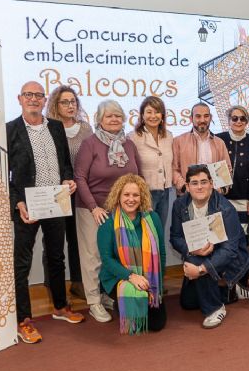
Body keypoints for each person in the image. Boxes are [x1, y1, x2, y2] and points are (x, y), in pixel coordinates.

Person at [7, 81, 84, 344]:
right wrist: (17, 203)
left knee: (56, 257)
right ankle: (23, 320)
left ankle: (61, 307)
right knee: (22, 263)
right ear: (19, 98)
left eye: (38, 95)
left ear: (43, 100)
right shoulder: (10, 131)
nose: (33, 99)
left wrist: (68, 180)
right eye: (28, 95)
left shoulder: (55, 127)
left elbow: (65, 164)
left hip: (55, 201)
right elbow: (6, 175)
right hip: (27, 206)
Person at [75, 99, 141, 323]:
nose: (114, 119)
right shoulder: (90, 144)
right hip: (92, 209)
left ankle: (105, 295)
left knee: (114, 255)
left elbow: (136, 176)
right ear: (99, 120)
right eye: (108, 116)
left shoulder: (129, 144)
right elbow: (80, 178)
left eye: (117, 115)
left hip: (120, 210)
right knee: (93, 256)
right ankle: (93, 301)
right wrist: (93, 207)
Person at [170, 166, 249, 329]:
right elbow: (175, 237)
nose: (199, 187)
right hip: (197, 255)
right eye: (194, 183)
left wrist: (200, 269)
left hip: (229, 261)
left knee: (196, 261)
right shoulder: (179, 204)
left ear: (212, 183)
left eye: (204, 182)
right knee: (188, 303)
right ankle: (225, 292)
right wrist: (190, 249)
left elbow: (230, 250)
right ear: (187, 185)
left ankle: (215, 308)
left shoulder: (225, 208)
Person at [97, 174, 166, 334]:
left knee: (156, 324)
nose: (131, 199)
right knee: (136, 307)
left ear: (141, 197)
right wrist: (131, 276)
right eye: (126, 194)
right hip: (119, 276)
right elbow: (107, 260)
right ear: (118, 196)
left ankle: (135, 299)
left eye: (135, 195)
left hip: (149, 276)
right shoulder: (108, 223)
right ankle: (118, 301)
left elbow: (161, 253)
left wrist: (157, 284)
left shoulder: (153, 218)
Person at [43, 85, 93, 299]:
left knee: (76, 239)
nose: (70, 105)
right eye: (65, 102)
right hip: (56, 191)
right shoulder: (48, 128)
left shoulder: (86, 129)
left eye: (73, 101)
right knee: (53, 239)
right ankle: (51, 282)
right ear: (55, 104)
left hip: (80, 190)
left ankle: (78, 281)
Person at [217, 105, 249, 266]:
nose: (238, 121)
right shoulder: (218, 138)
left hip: (243, 198)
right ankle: (223, 271)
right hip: (221, 198)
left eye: (242, 118)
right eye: (234, 118)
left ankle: (240, 274)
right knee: (222, 236)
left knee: (241, 237)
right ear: (228, 121)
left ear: (247, 122)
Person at [129, 96, 173, 231]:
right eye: (149, 112)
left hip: (165, 192)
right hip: (144, 193)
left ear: (162, 115)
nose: (153, 116)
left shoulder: (169, 136)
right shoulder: (133, 137)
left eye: (157, 112)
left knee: (159, 232)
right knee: (145, 235)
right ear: (142, 115)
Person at [172, 102, 232, 195]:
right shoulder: (179, 141)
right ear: (191, 119)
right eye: (198, 116)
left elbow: (226, 169)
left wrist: (222, 189)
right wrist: (185, 187)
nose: (202, 120)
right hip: (187, 197)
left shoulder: (219, 143)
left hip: (213, 196)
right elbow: (173, 169)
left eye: (206, 116)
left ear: (210, 118)